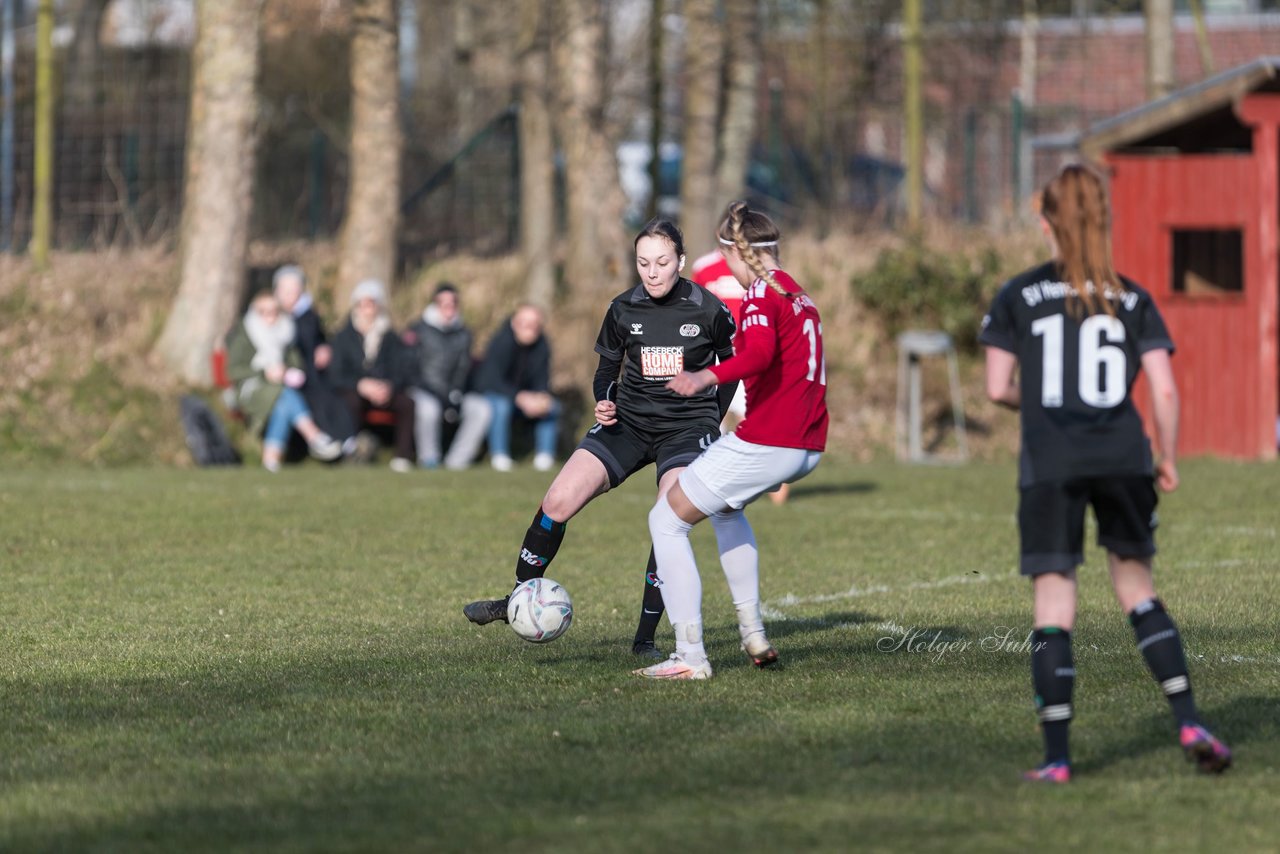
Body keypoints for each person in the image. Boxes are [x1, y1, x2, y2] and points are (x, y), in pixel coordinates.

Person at [979, 163, 1231, 783]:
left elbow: (996, 388)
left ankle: (1058, 759)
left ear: (1045, 223)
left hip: (1051, 460)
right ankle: (1190, 720)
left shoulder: (1017, 293)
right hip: (1124, 455)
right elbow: (1165, 391)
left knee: (1054, 602)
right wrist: (1166, 456)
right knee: (1137, 588)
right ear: (1103, 221)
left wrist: (1037, 398)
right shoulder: (1134, 297)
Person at [463, 218, 740, 659]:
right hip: (626, 424)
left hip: (686, 430)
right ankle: (517, 598)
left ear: (681, 262)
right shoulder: (622, 309)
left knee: (667, 518)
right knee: (557, 500)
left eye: (662, 263)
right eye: (643, 263)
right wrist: (604, 402)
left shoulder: (709, 309)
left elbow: (731, 370)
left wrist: (711, 419)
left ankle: (645, 639)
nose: (651, 272)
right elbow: (607, 371)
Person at [634, 201, 828, 680]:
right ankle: (752, 631)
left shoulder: (763, 293)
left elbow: (759, 355)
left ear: (734, 252)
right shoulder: (800, 294)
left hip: (770, 438)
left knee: (665, 521)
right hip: (807, 444)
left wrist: (705, 377)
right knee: (725, 509)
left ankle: (689, 656)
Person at [691, 249, 790, 506]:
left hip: (750, 356)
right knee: (712, 423)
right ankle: (717, 486)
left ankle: (776, 490)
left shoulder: (758, 264)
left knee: (761, 423)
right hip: (715, 357)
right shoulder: (704, 267)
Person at [224, 291, 343, 471]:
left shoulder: (286, 331)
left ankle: (271, 459)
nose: (270, 316)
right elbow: (234, 370)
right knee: (284, 394)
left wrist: (288, 371)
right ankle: (314, 436)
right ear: (255, 312)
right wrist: (265, 373)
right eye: (263, 311)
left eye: (274, 311)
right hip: (251, 388)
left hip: (278, 390)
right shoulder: (245, 333)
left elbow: (295, 362)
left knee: (283, 403)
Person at [327, 279, 417, 472]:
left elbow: (401, 370)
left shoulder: (391, 337)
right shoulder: (343, 337)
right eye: (363, 303)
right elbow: (336, 375)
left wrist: (388, 386)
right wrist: (361, 385)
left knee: (407, 404)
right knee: (350, 402)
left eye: (372, 303)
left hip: (384, 389)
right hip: (355, 390)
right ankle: (352, 450)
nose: (367, 308)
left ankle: (402, 456)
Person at [405, 283, 492, 469]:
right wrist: (438, 395)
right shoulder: (417, 330)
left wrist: (455, 395)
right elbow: (410, 370)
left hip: (453, 393)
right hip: (424, 390)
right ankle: (429, 459)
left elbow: (463, 369)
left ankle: (457, 461)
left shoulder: (464, 333)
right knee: (428, 409)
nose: (449, 307)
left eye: (453, 303)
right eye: (443, 303)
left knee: (481, 409)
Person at [272, 264, 356, 454]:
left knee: (332, 396)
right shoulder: (273, 316)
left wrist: (324, 348)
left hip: (313, 372)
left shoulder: (309, 315)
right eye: (285, 291)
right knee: (314, 397)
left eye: (294, 291)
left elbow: (319, 338)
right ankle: (327, 442)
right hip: (292, 376)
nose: (289, 296)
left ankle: (346, 440)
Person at [470, 304, 560, 472]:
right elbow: (492, 381)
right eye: (525, 324)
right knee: (501, 406)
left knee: (551, 406)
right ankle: (499, 455)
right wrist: (519, 397)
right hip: (495, 395)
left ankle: (545, 456)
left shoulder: (542, 345)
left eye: (535, 325)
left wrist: (541, 396)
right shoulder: (500, 342)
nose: (530, 329)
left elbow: (542, 378)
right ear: (515, 323)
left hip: (524, 398)